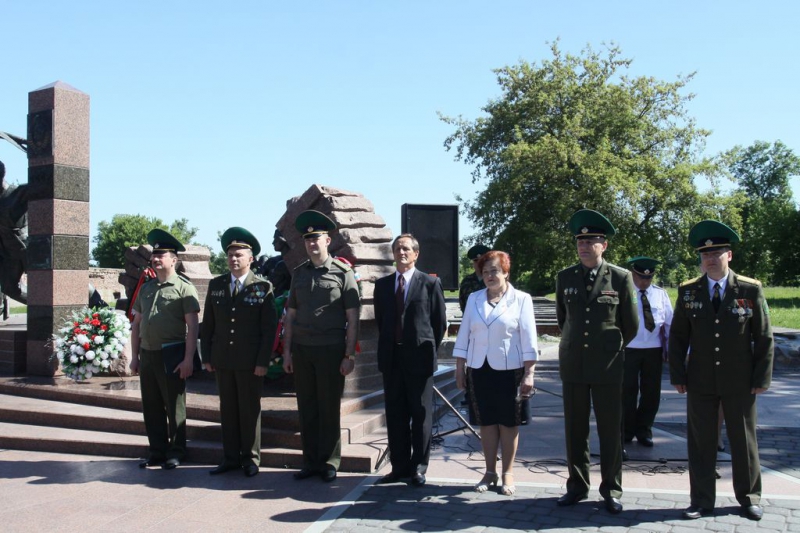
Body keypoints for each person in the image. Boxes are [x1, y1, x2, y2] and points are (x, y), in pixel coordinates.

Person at [668, 220, 773, 521]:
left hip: (740, 380)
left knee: (743, 441)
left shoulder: (750, 290)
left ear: (730, 256)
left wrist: (762, 377)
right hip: (700, 379)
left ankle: (749, 497)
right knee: (701, 442)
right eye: (705, 254)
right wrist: (678, 374)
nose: (711, 259)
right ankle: (701, 500)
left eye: (717, 253)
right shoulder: (689, 291)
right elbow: (678, 337)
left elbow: (764, 336)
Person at [555, 209, 638, 514]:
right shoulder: (565, 277)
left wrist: (609, 348)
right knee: (576, 430)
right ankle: (577, 486)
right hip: (574, 365)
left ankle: (612, 489)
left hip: (607, 367)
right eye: (580, 241)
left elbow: (631, 325)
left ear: (604, 245)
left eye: (591, 241)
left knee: (609, 430)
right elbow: (565, 320)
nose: (584, 246)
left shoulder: (621, 277)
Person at [282, 210, 360, 483]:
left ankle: (329, 461)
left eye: (317, 238)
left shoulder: (342, 273)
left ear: (328, 240)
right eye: (308, 239)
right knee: (307, 407)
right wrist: (287, 352)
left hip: (330, 349)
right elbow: (290, 316)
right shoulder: (299, 273)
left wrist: (348, 354)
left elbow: (352, 317)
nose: (312, 243)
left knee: (328, 408)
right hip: (302, 350)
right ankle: (310, 461)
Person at [453, 250, 538, 496]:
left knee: (509, 422)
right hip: (479, 369)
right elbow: (464, 334)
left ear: (506, 272)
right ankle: (489, 471)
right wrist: (460, 367)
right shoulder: (474, 299)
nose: (490, 275)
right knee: (486, 422)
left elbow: (529, 338)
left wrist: (529, 373)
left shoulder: (521, 299)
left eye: (495, 271)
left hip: (510, 370)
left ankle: (507, 473)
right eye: (486, 271)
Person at [200, 227, 277, 477]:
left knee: (249, 410)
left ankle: (251, 458)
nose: (234, 259)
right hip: (223, 360)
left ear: (251, 258)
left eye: (239, 255)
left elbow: (269, 330)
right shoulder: (217, 285)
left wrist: (263, 361)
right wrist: (207, 357)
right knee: (228, 409)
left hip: (250, 362)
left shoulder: (262, 287)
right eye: (231, 254)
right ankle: (230, 457)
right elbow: (208, 325)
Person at [373, 234, 447, 487]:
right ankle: (399, 467)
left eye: (406, 249)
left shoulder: (429, 283)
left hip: (420, 360)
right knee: (395, 416)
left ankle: (418, 468)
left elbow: (439, 324)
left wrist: (425, 349)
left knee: (421, 415)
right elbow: (381, 321)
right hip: (392, 359)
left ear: (416, 254)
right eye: (397, 249)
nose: (401, 252)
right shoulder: (382, 285)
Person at [129, 229, 200, 470]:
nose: (156, 259)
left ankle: (177, 451)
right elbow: (136, 324)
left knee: (174, 405)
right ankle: (157, 450)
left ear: (174, 260)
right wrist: (134, 357)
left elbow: (193, 327)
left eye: (162, 255)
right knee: (151, 405)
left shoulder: (184, 288)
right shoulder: (146, 288)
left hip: (172, 354)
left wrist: (189, 358)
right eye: (154, 255)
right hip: (148, 354)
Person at [622, 257, 673, 452]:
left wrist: (672, 349)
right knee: (627, 391)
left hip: (653, 349)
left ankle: (644, 430)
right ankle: (626, 430)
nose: (644, 281)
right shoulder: (624, 293)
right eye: (640, 277)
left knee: (651, 392)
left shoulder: (660, 294)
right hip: (629, 347)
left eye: (648, 277)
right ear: (633, 274)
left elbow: (669, 323)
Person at [0, 160, 29, 315]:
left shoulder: (18, 193)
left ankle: (94, 299)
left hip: (27, 248)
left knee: (57, 279)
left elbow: (46, 185)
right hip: (9, 254)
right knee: (9, 288)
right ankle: (41, 305)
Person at [458, 244, 489, 312]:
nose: (479, 263)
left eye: (482, 261)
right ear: (473, 263)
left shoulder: (492, 279)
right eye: (476, 261)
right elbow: (462, 304)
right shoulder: (466, 281)